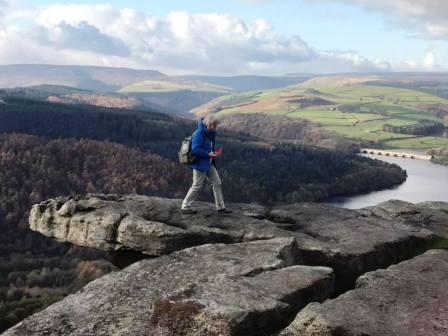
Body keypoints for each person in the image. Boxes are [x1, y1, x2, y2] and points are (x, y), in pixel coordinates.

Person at [181, 115, 232, 214]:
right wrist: (208, 153)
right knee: (197, 185)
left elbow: (209, 146)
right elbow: (195, 149)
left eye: (216, 125)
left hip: (208, 162)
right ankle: (185, 206)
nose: (215, 128)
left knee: (217, 182)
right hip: (199, 164)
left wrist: (213, 153)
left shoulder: (210, 133)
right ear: (208, 124)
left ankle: (221, 207)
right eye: (214, 125)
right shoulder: (199, 133)